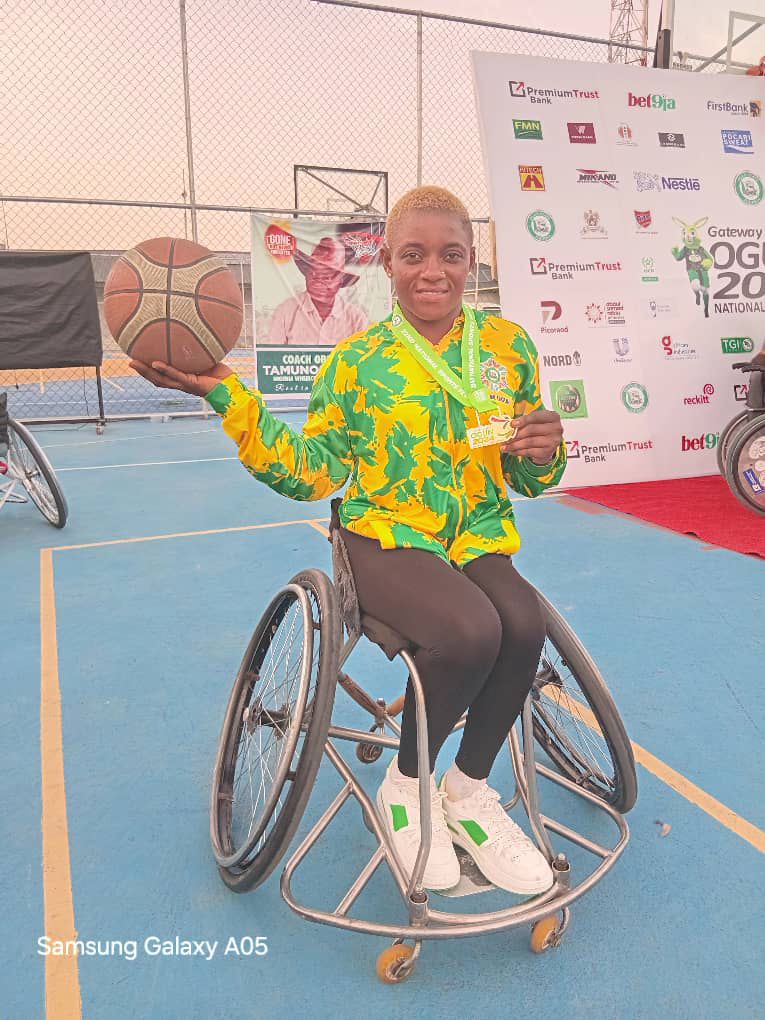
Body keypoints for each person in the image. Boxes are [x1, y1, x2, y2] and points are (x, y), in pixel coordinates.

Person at [130, 186, 566, 896]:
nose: (433, 270)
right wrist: (226, 395)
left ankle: (468, 792)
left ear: (472, 260)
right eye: (413, 255)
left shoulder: (507, 347)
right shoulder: (356, 362)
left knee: (523, 625)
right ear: (387, 264)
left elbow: (526, 473)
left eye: (451, 255)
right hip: (385, 536)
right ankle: (406, 786)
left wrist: (544, 451)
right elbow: (312, 473)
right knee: (470, 631)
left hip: (475, 535)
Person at [266, 235, 368, 344]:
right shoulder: (286, 311)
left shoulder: (356, 319)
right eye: (314, 273)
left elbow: (364, 353)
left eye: (327, 276)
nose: (319, 281)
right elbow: (272, 352)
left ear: (340, 281)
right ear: (306, 274)